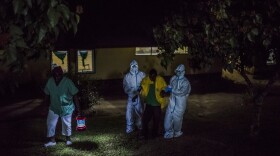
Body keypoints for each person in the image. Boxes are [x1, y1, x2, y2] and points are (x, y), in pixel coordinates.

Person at [43, 66, 81, 147]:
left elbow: (75, 95)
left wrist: (78, 108)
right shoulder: (50, 81)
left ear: (62, 75)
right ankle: (52, 141)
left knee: (67, 124)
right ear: (53, 75)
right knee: (50, 123)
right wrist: (45, 105)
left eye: (59, 75)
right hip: (54, 107)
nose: (57, 77)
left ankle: (68, 140)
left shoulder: (68, 82)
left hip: (67, 107)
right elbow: (46, 94)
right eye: (55, 75)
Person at [163, 64, 191, 139]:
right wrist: (166, 89)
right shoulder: (173, 78)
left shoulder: (186, 82)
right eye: (177, 71)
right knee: (168, 118)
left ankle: (177, 132)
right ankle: (168, 132)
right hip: (172, 102)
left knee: (177, 119)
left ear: (183, 72)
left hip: (180, 104)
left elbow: (182, 92)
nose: (178, 72)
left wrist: (171, 90)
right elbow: (170, 86)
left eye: (179, 71)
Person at [140, 68, 167, 139]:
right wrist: (140, 89)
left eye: (154, 76)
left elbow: (165, 87)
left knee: (156, 121)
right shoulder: (146, 79)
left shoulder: (160, 79)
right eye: (151, 76)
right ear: (149, 75)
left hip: (157, 105)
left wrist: (163, 91)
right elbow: (142, 86)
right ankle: (145, 133)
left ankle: (154, 134)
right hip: (149, 104)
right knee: (145, 119)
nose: (153, 78)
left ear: (156, 75)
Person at [123, 60, 146, 133]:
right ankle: (130, 128)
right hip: (131, 97)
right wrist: (131, 91)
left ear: (138, 66)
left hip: (140, 97)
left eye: (135, 66)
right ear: (130, 66)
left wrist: (140, 90)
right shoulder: (127, 76)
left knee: (140, 112)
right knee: (129, 113)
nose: (134, 67)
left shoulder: (142, 74)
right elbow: (125, 87)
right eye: (133, 66)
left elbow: (145, 84)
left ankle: (140, 126)